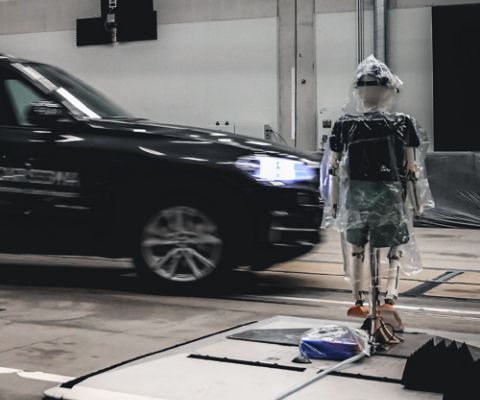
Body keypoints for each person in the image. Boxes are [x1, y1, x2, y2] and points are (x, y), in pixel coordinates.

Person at [322, 55, 433, 329]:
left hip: (357, 195)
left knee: (357, 248)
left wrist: (334, 205)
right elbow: (412, 168)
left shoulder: (345, 124)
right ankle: (389, 298)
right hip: (389, 195)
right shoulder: (402, 123)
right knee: (394, 248)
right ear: (390, 91)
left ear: (358, 91)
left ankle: (359, 299)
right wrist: (417, 204)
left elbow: (333, 169)